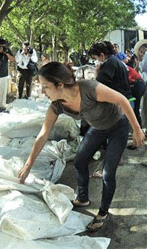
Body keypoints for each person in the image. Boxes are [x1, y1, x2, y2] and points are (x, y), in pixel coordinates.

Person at [18, 62, 145, 232]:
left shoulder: (89, 88)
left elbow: (122, 100)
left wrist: (136, 130)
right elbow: (43, 135)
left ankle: (103, 212)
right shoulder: (56, 105)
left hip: (117, 126)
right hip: (98, 128)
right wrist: (28, 166)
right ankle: (83, 198)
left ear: (60, 84)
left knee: (108, 173)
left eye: (46, 87)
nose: (42, 92)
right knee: (79, 161)